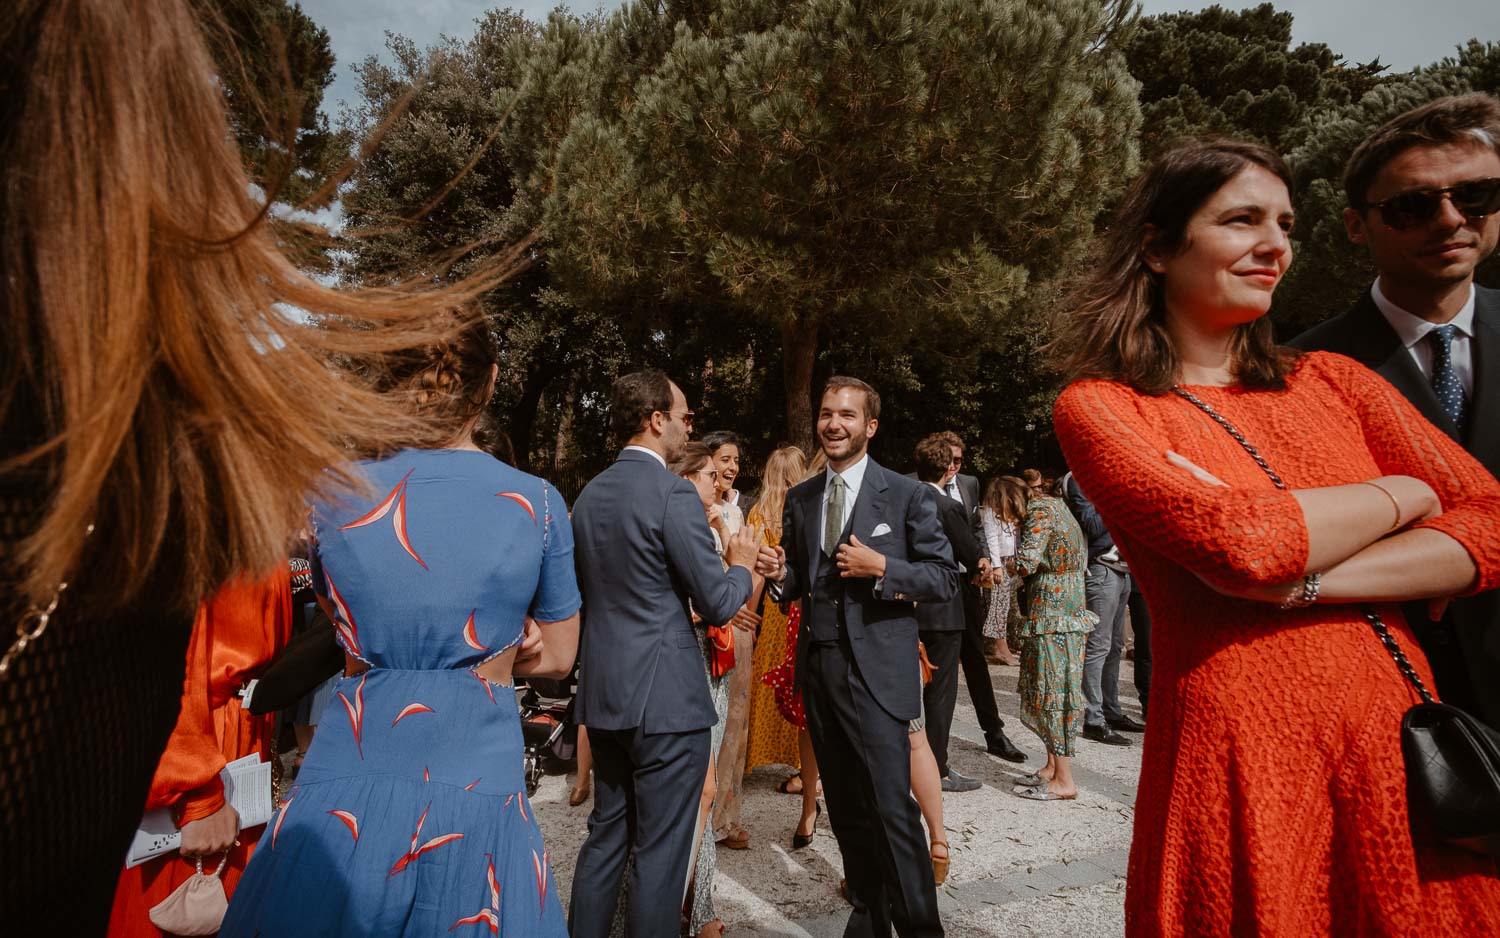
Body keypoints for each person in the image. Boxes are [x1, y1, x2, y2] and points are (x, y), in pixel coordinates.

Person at [1, 1, 510, 929]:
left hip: (216, 761)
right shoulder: (163, 478)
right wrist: (200, 792)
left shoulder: (179, 465)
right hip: (184, 773)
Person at [1050, 137, 1500, 935]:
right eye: (1242, 220)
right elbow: (1242, 542)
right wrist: (1408, 490)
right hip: (1241, 757)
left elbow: (1492, 520)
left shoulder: (1333, 380)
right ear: (1157, 247)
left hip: (1389, 746)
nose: (1275, 246)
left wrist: (1311, 578)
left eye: (1285, 224)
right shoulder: (1103, 407)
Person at [222, 317, 581, 936]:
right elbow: (557, 659)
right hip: (473, 777)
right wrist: (497, 650)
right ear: (491, 383)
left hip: (348, 770)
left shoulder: (332, 497)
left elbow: (342, 628)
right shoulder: (538, 503)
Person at [1292, 93, 1500, 726]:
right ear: (1357, 225)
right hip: (1394, 704)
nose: (1449, 220)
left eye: (1475, 197)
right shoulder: (1299, 370)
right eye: (1412, 206)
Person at [757, 376, 957, 938]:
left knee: (891, 807)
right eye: (826, 413)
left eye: (846, 415)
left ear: (869, 425)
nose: (833, 424)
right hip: (819, 671)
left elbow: (945, 579)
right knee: (844, 807)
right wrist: (779, 577)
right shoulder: (801, 498)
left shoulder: (907, 494)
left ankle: (921, 927)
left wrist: (885, 570)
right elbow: (800, 580)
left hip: (877, 675)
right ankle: (869, 912)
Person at [569, 371, 759, 938]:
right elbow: (719, 601)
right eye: (683, 415)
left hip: (603, 690)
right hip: (667, 701)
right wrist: (744, 562)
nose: (687, 424)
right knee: (659, 854)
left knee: (605, 838)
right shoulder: (674, 492)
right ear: (656, 419)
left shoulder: (588, 493)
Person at [108, 570, 294, 936]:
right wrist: (197, 793)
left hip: (235, 736)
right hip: (202, 746)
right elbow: (158, 651)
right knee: (175, 911)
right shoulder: (192, 515)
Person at [911, 433, 1026, 763]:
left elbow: (976, 528)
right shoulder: (912, 486)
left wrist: (984, 561)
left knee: (974, 656)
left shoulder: (970, 484)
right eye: (952, 461)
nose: (955, 466)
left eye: (960, 460)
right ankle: (930, 753)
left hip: (967, 582)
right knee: (930, 666)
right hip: (932, 587)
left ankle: (994, 732)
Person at [1005, 477, 1096, 802]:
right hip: (1065, 604)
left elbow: (1028, 561)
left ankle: (1064, 780)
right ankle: (1050, 766)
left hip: (1053, 610)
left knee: (1053, 686)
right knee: (1047, 683)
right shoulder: (1055, 504)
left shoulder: (1040, 512)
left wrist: (1002, 565)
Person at [743, 447, 815, 840]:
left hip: (774, 611)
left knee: (770, 683)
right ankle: (805, 770)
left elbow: (757, 570)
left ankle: (760, 755)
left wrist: (749, 617)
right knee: (798, 687)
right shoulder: (808, 505)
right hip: (801, 610)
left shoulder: (760, 513)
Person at [911, 434, 986, 793]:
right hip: (942, 609)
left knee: (910, 687)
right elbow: (970, 552)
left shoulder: (905, 498)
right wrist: (982, 565)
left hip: (909, 604)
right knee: (939, 692)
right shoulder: (946, 505)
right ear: (947, 468)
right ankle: (937, 767)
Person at [700, 429, 757, 850]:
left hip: (739, 625)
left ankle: (728, 816)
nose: (730, 467)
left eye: (735, 459)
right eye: (723, 458)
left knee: (736, 721)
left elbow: (746, 567)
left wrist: (756, 582)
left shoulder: (739, 515)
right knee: (711, 724)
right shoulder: (691, 509)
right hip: (706, 625)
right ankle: (703, 816)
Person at [1061, 471, 1145, 744]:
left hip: (1124, 568)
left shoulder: (1112, 481)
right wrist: (1120, 501)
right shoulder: (1080, 479)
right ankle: (1093, 718)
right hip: (1101, 569)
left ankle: (1111, 710)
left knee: (1115, 645)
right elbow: (1093, 526)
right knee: (1098, 645)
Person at [977, 476, 1024, 665]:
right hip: (999, 565)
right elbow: (991, 540)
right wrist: (996, 566)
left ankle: (1001, 644)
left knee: (1007, 607)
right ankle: (1000, 648)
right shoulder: (990, 512)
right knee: (998, 607)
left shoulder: (1006, 515)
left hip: (1008, 563)